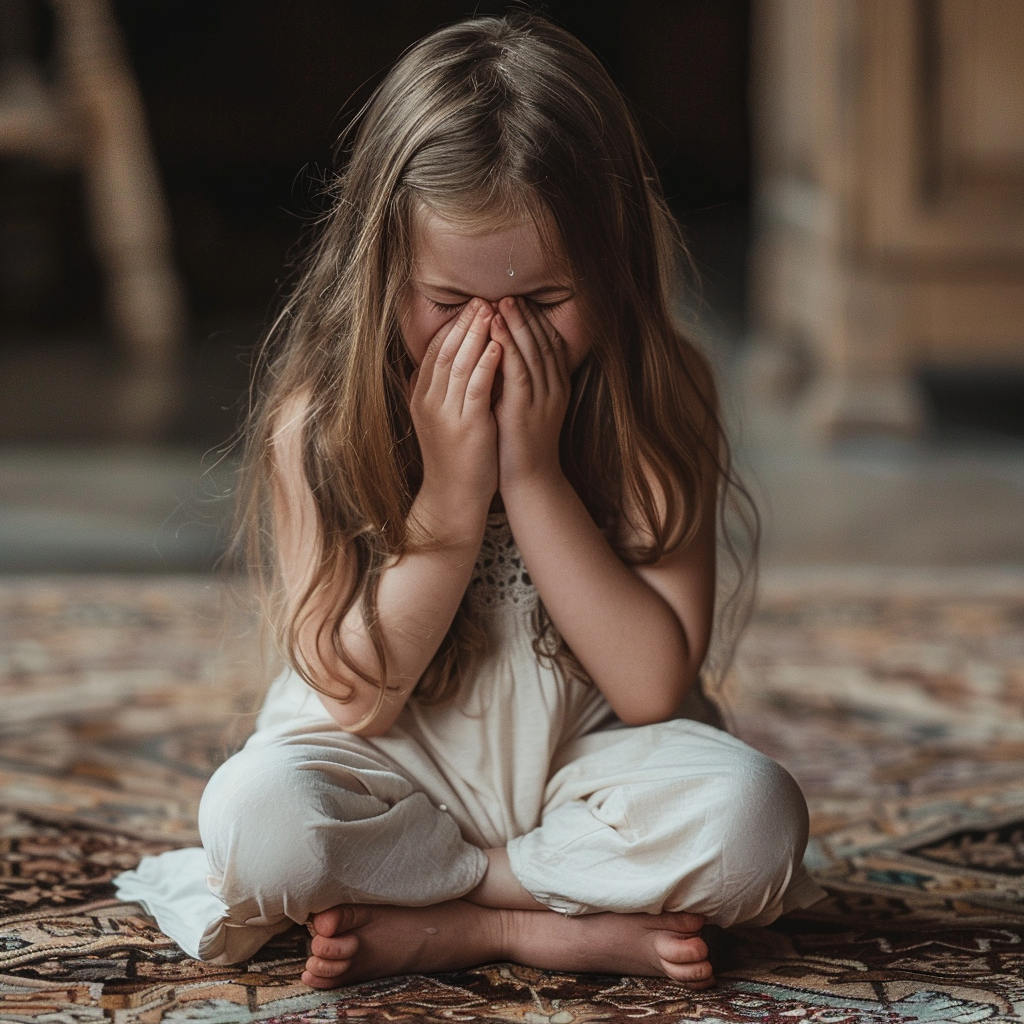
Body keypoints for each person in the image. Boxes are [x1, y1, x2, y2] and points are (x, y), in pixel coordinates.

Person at [115, 13, 824, 990]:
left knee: (756, 819)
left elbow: (654, 686)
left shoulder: (661, 394)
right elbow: (356, 695)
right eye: (449, 306)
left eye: (543, 303)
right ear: (384, 271)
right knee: (254, 821)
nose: (496, 338)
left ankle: (465, 918)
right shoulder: (321, 416)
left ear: (611, 267)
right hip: (388, 767)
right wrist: (448, 509)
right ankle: (559, 915)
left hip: (594, 765)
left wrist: (532, 478)